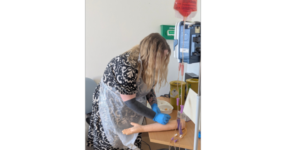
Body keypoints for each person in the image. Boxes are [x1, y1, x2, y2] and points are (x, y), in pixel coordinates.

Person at [87, 33, 172, 150]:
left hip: (129, 103)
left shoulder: (147, 63)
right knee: (112, 140)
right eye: (161, 57)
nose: (162, 60)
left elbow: (148, 86)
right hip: (111, 105)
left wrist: (154, 104)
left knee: (133, 133)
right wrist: (155, 116)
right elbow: (130, 102)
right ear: (151, 55)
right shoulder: (127, 66)